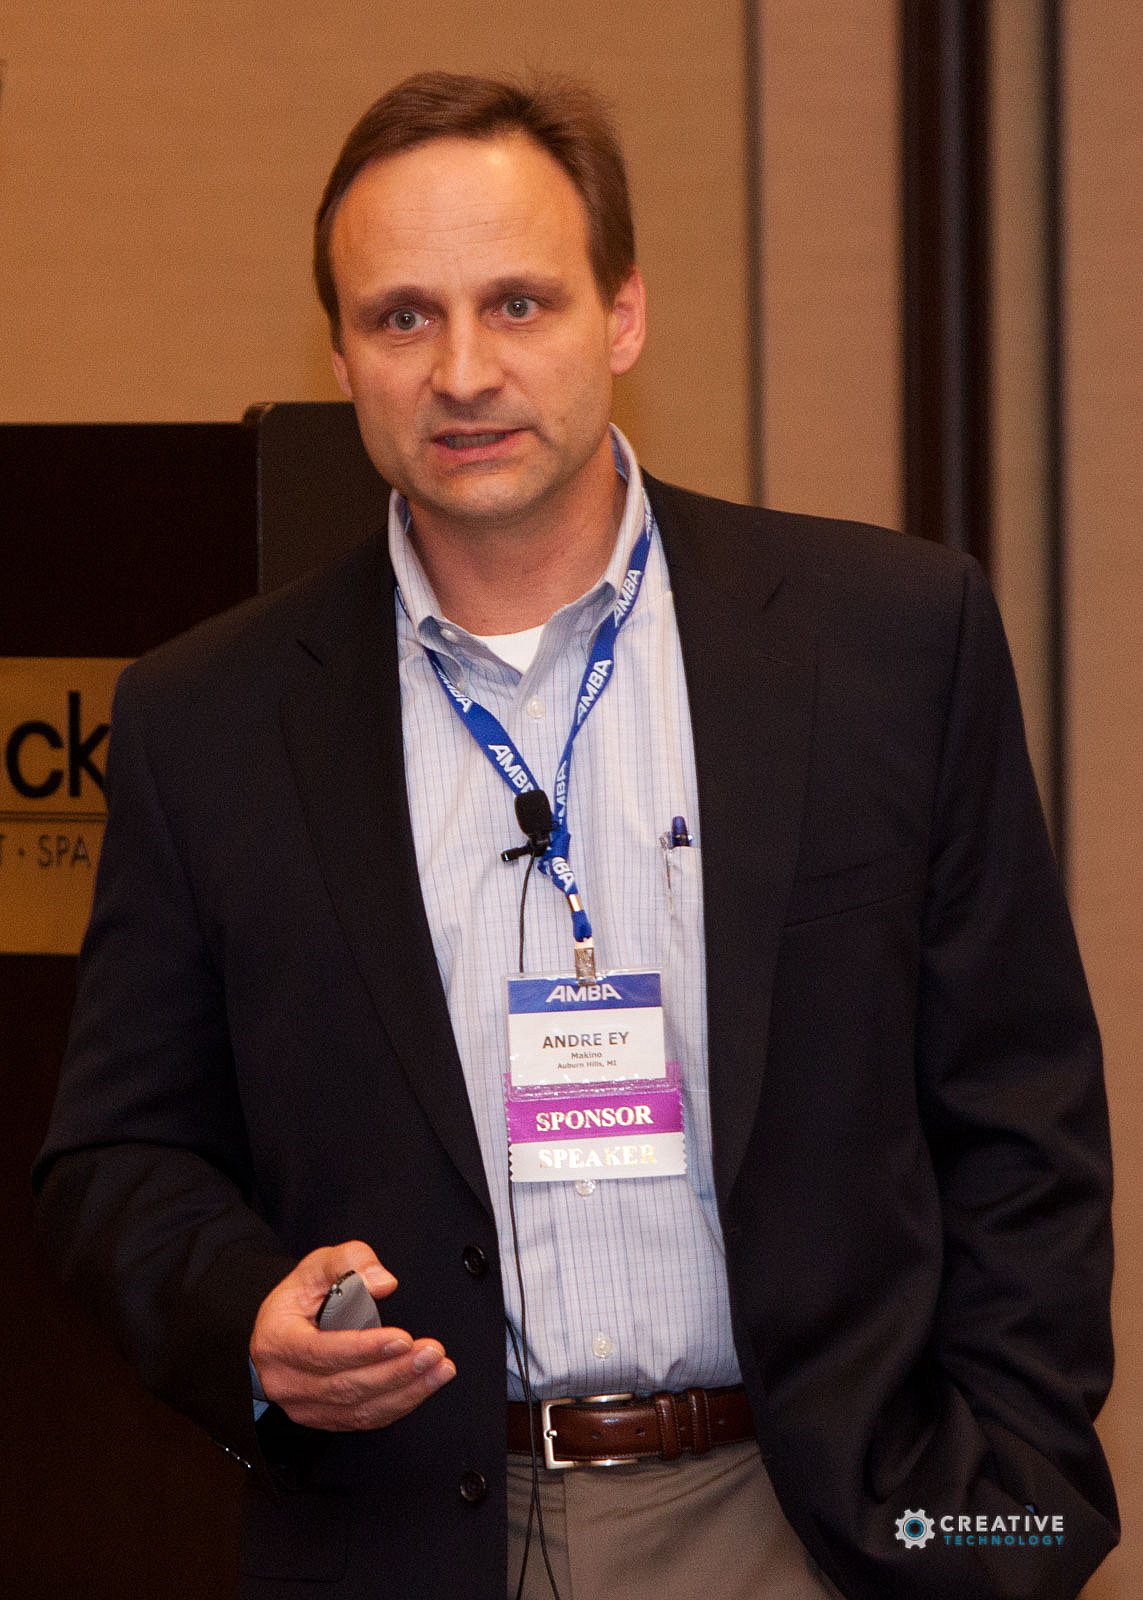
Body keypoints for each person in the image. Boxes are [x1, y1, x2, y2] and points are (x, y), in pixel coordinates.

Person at [35, 70, 1117, 1600]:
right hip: (410, 1534)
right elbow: (117, 1156)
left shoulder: (887, 643)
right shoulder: (208, 720)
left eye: (520, 303)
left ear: (622, 316)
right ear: (339, 355)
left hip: (813, 1525)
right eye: (403, 317)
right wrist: (246, 1320)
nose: (464, 370)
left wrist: (1005, 1516)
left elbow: (1022, 1118)